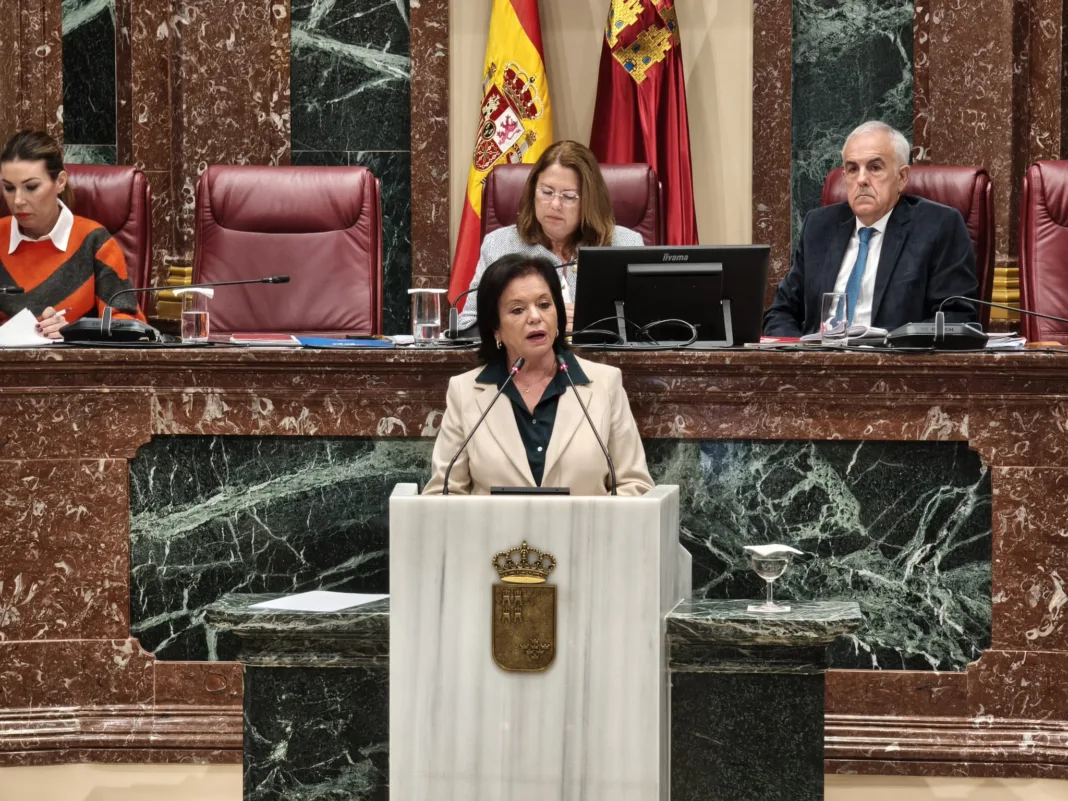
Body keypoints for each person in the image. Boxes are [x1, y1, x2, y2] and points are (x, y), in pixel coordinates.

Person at [424, 253, 653, 496]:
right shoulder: (465, 391)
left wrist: (591, 528)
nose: (535, 317)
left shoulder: (605, 384)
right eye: (517, 310)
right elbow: (443, 494)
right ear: (496, 329)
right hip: (495, 534)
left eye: (544, 304)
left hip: (585, 534)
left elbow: (635, 485)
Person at [763, 121, 978, 337]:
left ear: (902, 177)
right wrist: (797, 357)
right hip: (817, 364)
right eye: (852, 169)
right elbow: (781, 311)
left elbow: (956, 318)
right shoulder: (819, 227)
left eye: (875, 168)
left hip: (892, 365)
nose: (862, 179)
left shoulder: (938, 226)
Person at [453, 139, 644, 333]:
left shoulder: (625, 244)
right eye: (546, 192)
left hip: (601, 360)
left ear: (590, 201)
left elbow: (648, 324)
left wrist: (593, 322)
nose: (554, 205)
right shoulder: (500, 245)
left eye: (568, 196)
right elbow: (469, 324)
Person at [0, 130, 145, 338]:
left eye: (31, 187)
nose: (18, 200)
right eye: (9, 188)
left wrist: (75, 331)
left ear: (60, 182)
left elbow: (132, 326)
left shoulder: (93, 241)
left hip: (78, 367)